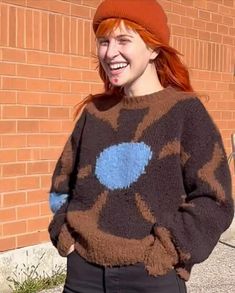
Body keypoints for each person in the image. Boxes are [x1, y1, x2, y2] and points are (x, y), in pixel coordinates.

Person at [48, 0, 234, 292]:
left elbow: (214, 199)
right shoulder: (94, 113)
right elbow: (62, 182)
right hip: (83, 276)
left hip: (151, 276)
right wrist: (64, 232)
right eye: (103, 41)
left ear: (154, 48)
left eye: (124, 40)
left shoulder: (185, 112)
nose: (110, 53)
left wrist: (168, 251)